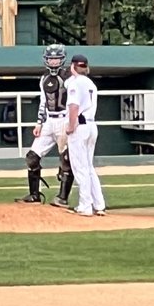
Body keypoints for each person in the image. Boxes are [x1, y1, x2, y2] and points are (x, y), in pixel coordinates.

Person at [15, 44, 74, 208]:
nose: (53, 62)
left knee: (66, 159)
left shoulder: (68, 77)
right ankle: (34, 194)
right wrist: (39, 122)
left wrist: (71, 121)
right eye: (50, 59)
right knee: (32, 156)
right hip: (49, 120)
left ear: (62, 59)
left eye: (56, 59)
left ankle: (62, 197)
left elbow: (73, 101)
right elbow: (43, 102)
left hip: (64, 119)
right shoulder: (44, 78)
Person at [64, 54, 106, 217]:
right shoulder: (90, 83)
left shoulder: (76, 83)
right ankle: (99, 204)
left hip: (80, 126)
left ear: (73, 67)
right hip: (91, 125)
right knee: (88, 167)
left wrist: (71, 125)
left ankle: (85, 206)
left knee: (80, 167)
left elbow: (74, 106)